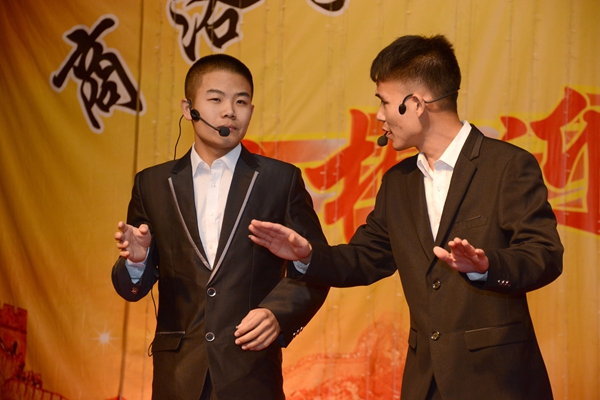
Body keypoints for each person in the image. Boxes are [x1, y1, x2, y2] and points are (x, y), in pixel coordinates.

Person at [248, 35, 563, 400]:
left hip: (498, 381)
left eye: (384, 101)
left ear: (415, 104)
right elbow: (367, 258)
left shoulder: (507, 166)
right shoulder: (399, 182)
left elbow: (544, 254)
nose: (379, 115)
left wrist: (486, 265)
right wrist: (307, 255)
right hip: (424, 381)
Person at [112, 53, 329, 400]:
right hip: (177, 377)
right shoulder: (152, 184)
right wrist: (137, 263)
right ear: (189, 109)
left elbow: (317, 266)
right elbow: (130, 289)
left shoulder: (279, 180)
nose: (230, 112)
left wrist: (277, 313)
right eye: (216, 100)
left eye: (241, 102)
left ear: (251, 111)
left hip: (251, 373)